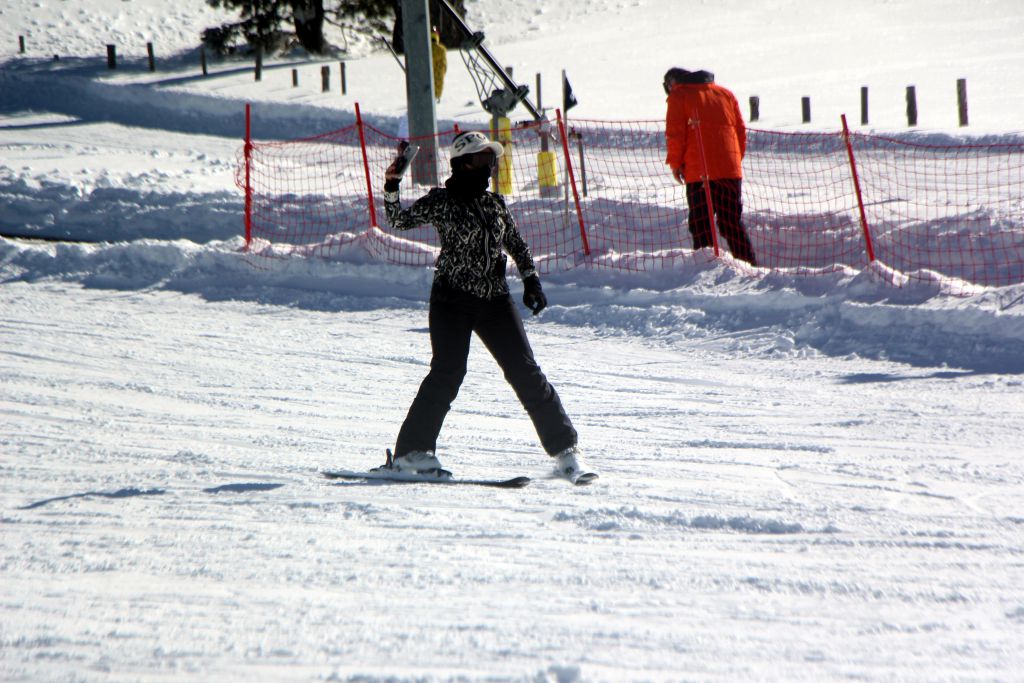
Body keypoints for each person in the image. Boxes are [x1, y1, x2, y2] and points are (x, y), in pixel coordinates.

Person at [380, 130, 593, 481]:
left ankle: (566, 452)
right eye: (483, 159)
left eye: (491, 159)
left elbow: (516, 243)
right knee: (447, 374)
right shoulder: (442, 201)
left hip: (495, 300)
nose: (490, 166)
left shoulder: (494, 203)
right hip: (452, 299)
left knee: (525, 371)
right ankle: (411, 454)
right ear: (464, 164)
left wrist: (531, 280)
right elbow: (398, 220)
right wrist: (392, 184)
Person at [664, 67, 757, 266]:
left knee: (701, 225)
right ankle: (750, 266)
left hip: (699, 172)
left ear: (673, 83)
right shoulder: (725, 94)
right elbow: (740, 131)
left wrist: (675, 163)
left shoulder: (679, 96)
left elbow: (675, 135)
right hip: (730, 170)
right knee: (731, 223)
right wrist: (733, 161)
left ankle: (705, 267)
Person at [430, 27, 447, 103]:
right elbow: (444, 64)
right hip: (438, 75)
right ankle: (437, 97)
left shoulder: (425, 49)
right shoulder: (442, 50)